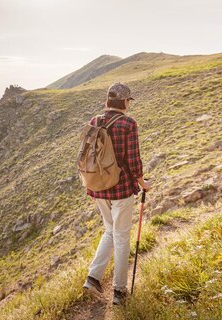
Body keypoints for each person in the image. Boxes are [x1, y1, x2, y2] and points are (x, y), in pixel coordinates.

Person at [82, 82, 151, 306]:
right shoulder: (128, 123)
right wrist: (142, 183)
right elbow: (133, 160)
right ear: (124, 101)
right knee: (121, 237)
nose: (129, 104)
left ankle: (93, 278)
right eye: (129, 100)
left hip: (99, 187)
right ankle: (120, 292)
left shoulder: (95, 121)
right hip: (120, 190)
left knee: (110, 230)